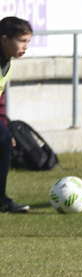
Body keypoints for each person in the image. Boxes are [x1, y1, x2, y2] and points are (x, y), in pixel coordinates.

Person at [0, 17, 33, 214]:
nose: (25, 46)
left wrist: (4, 126)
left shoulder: (8, 63)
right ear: (4, 39)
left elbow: (0, 99)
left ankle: (1, 199)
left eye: (28, 41)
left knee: (4, 139)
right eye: (21, 41)